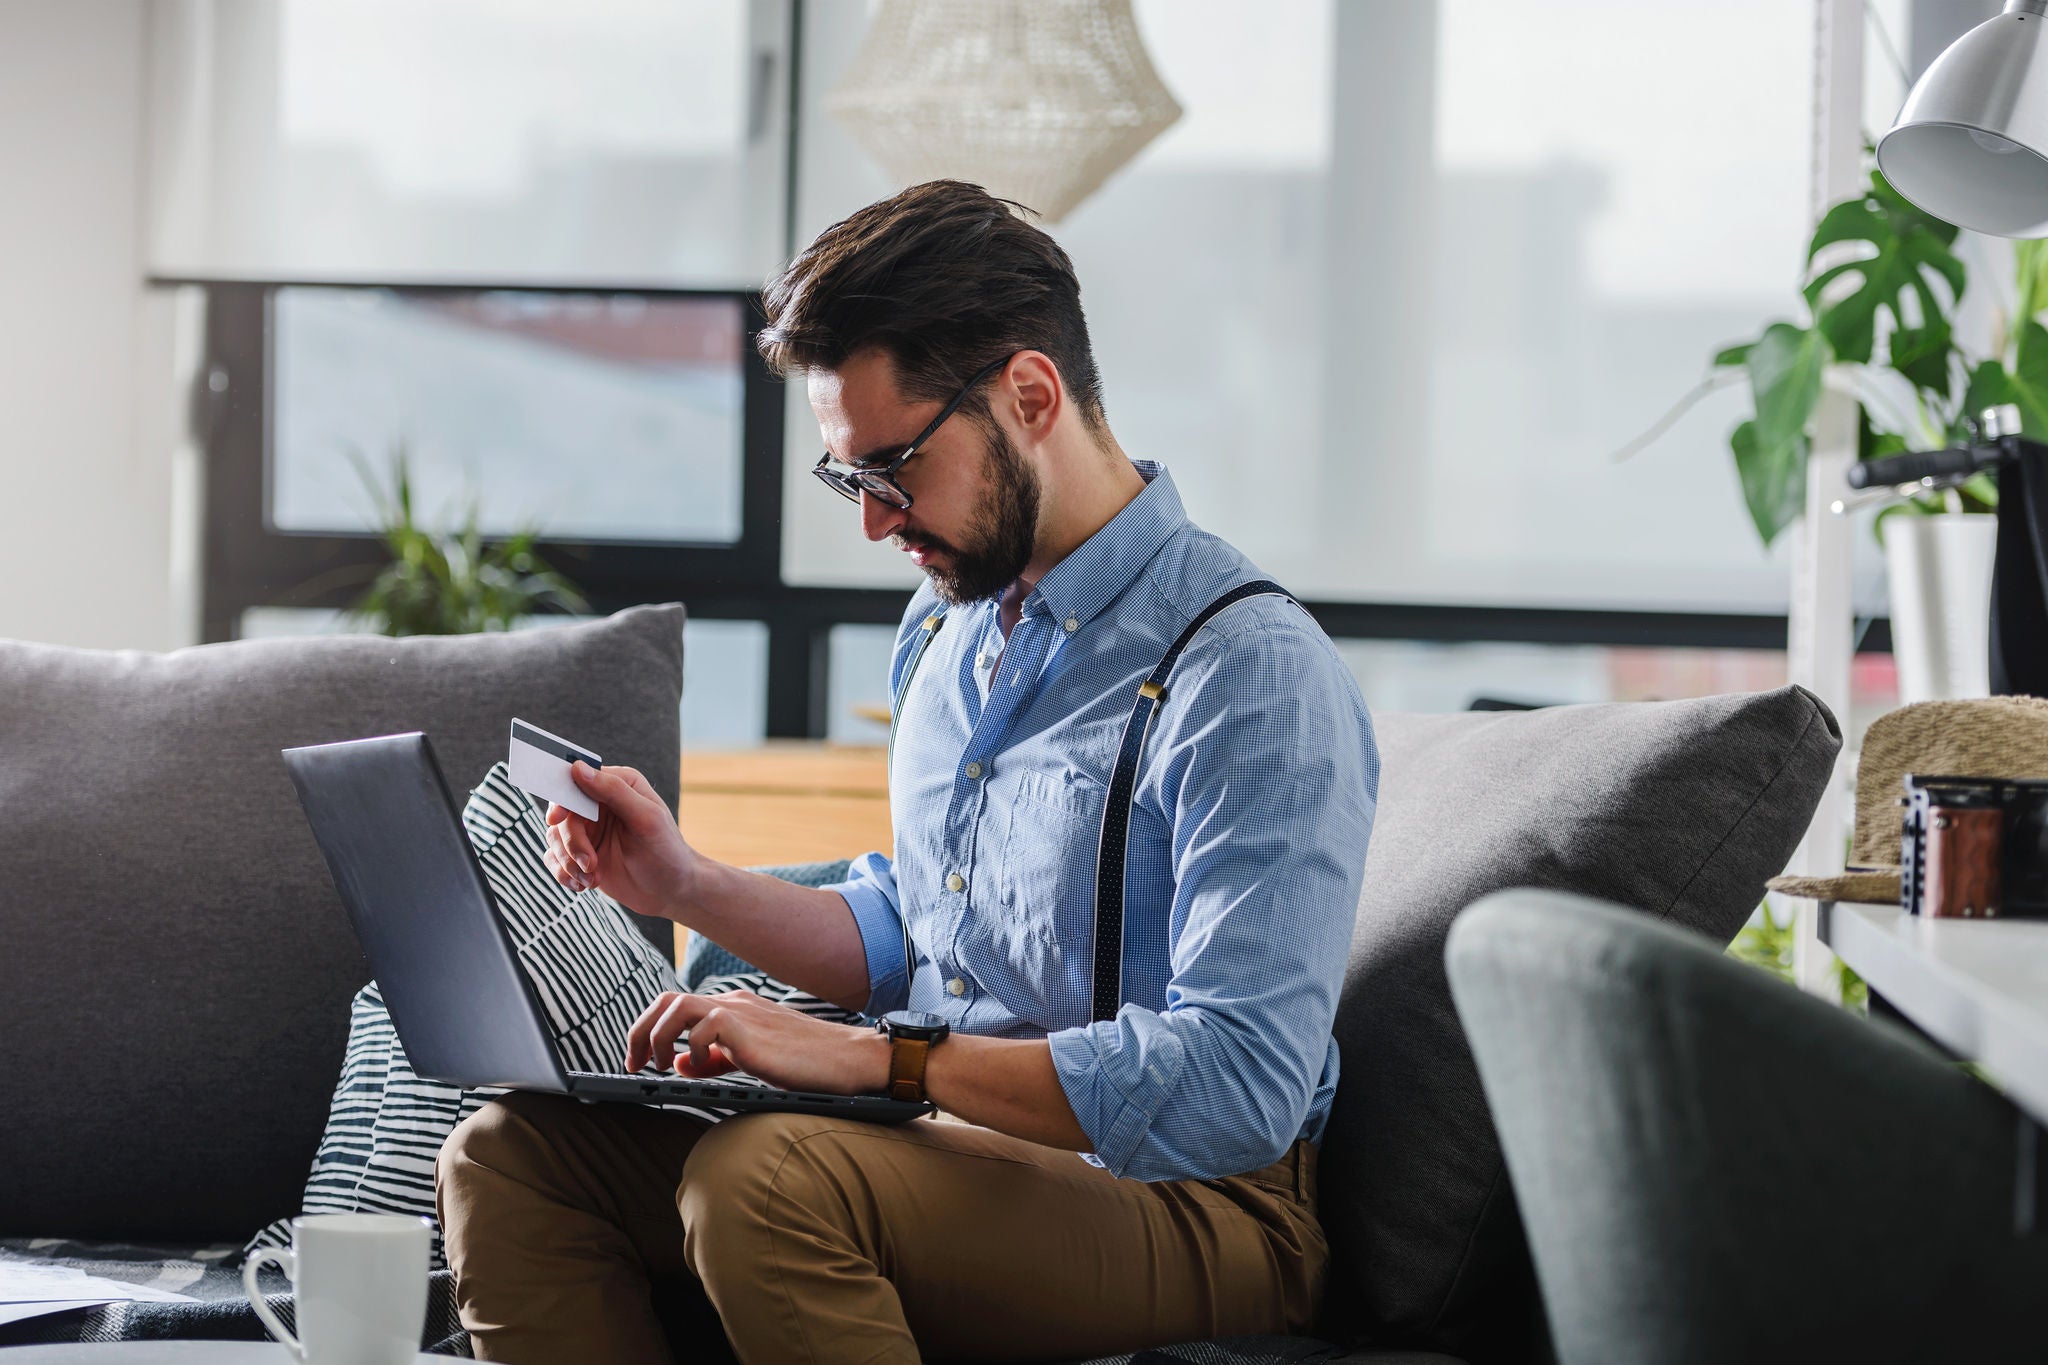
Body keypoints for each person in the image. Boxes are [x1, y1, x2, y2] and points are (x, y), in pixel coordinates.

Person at [434, 179, 1380, 1365]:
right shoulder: (946, 629)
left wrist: (881, 1059)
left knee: (763, 1179)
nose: (877, 524)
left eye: (893, 468)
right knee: (510, 1155)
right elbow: (916, 928)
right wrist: (679, 884)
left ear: (1028, 395)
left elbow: (1241, 1081)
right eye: (851, 480)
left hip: (1203, 1203)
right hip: (946, 1144)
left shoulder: (1244, 671)